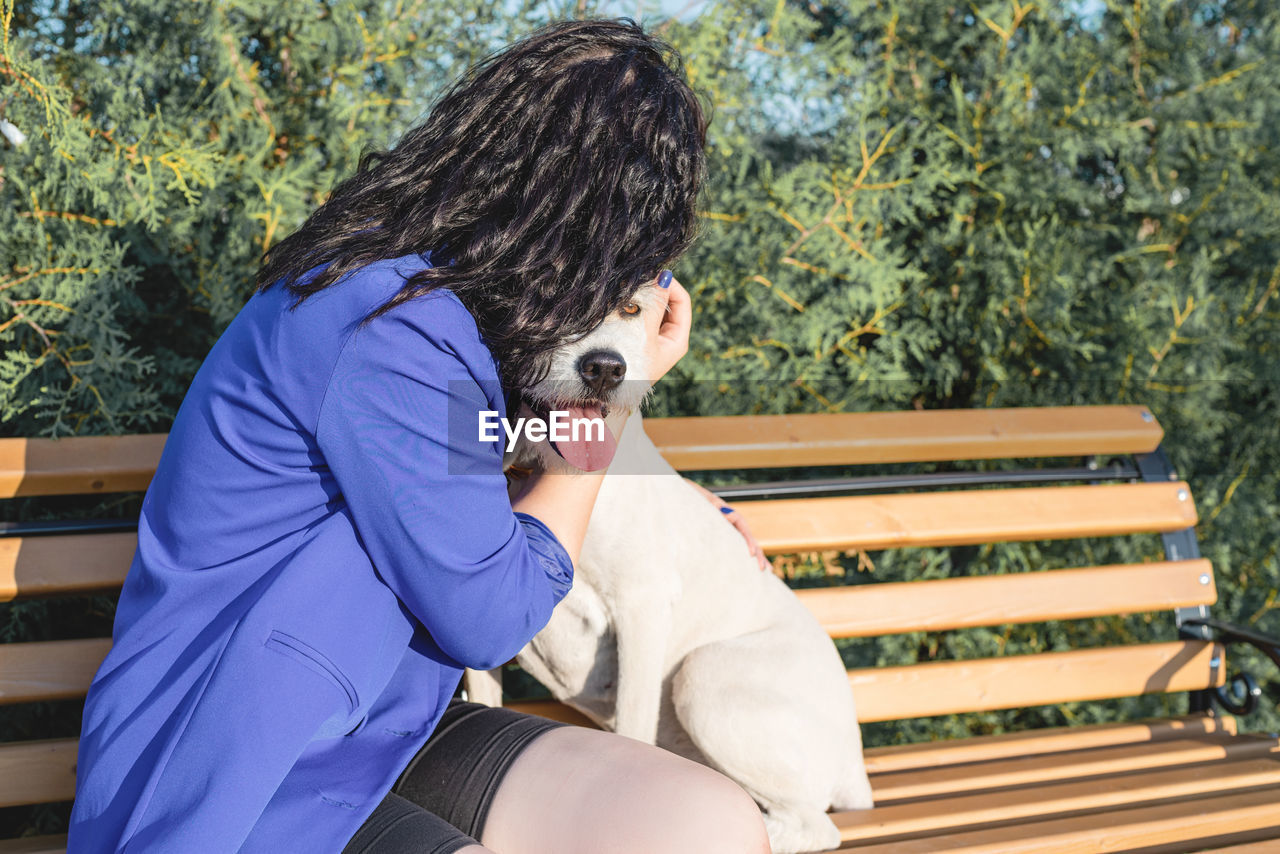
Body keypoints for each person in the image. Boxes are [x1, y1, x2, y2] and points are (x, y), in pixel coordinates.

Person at [67, 16, 773, 854]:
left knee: (710, 825)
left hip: (385, 722)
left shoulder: (452, 297)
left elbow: (478, 441)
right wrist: (612, 415)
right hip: (238, 760)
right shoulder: (387, 324)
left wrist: (678, 507)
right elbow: (491, 613)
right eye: (627, 256)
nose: (627, 285)